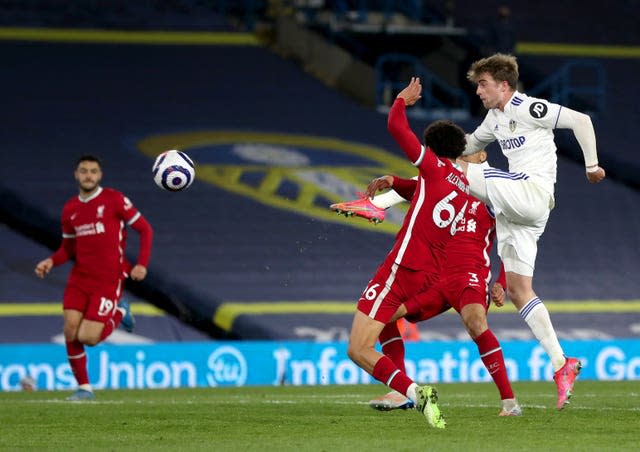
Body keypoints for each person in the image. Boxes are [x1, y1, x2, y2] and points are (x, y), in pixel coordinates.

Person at [458, 53, 606, 410]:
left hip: (532, 191)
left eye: (483, 84)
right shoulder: (494, 119)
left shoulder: (529, 107)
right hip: (519, 210)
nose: (478, 91)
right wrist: (440, 146)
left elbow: (581, 120)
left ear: (504, 85)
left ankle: (384, 200)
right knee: (518, 290)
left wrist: (592, 165)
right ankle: (561, 363)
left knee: (455, 175)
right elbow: (467, 147)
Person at [339, 150, 521, 417]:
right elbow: (416, 187)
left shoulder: (495, 188)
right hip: (435, 273)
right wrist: (390, 185)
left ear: (482, 155)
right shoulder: (451, 180)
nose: (461, 152)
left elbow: (510, 240)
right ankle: (400, 391)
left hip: (469, 273)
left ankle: (509, 402)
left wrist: (502, 281)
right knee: (385, 313)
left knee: (475, 322)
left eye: (468, 150)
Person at [347, 77, 470, 429]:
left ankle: (414, 392)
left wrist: (401, 100)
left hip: (402, 267)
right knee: (384, 321)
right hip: (428, 274)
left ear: (430, 150)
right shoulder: (461, 186)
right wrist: (396, 182)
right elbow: (420, 191)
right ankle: (403, 392)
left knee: (357, 349)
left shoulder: (430, 168)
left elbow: (395, 126)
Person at [35, 155, 153, 401]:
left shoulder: (114, 199)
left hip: (108, 277)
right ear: (76, 175)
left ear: (100, 176)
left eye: (93, 171)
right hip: (80, 277)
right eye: (84, 171)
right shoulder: (70, 209)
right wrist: (50, 261)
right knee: (70, 330)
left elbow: (145, 228)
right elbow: (67, 249)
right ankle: (84, 388)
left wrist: (141, 264)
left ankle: (120, 312)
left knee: (88, 337)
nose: (88, 175)